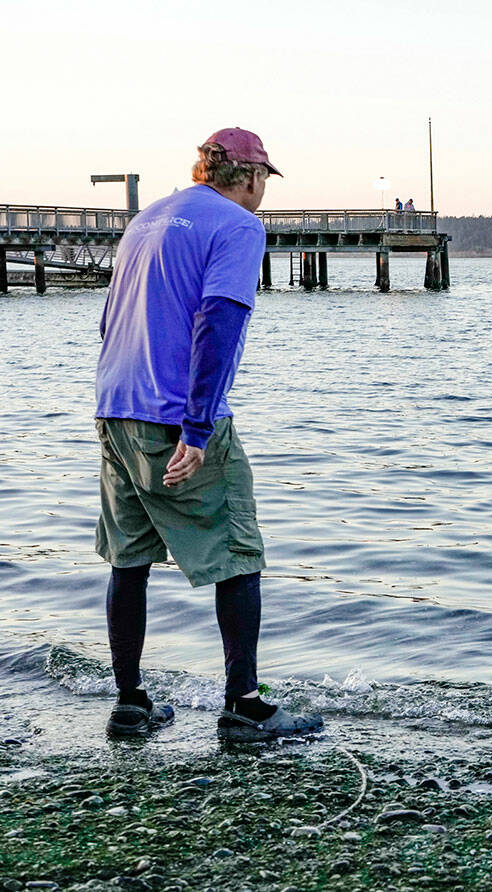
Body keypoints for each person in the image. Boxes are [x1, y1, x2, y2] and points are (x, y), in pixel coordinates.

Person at [95, 127, 322, 742]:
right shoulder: (240, 226)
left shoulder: (146, 219)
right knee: (237, 552)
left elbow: (108, 318)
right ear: (249, 176)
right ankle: (244, 707)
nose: (262, 196)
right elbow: (216, 323)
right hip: (177, 414)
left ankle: (130, 704)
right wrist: (196, 430)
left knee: (130, 557)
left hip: (115, 406)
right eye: (264, 182)